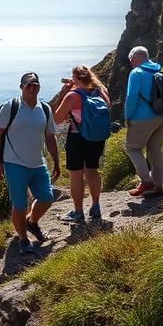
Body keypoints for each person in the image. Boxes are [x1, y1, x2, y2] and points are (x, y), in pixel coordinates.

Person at [0, 72, 60, 254]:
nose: (32, 87)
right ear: (21, 87)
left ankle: (32, 222)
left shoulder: (45, 109)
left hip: (38, 163)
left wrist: (57, 163)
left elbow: (50, 136)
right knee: (19, 204)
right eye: (28, 85)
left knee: (47, 198)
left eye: (35, 84)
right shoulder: (11, 106)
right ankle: (23, 239)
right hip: (13, 163)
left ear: (39, 86)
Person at [54, 65, 111, 222]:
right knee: (92, 170)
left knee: (76, 175)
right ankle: (96, 206)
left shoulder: (72, 96)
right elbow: (109, 110)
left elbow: (57, 118)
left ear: (76, 78)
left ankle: (78, 212)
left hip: (77, 137)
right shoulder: (102, 92)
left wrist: (64, 93)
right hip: (97, 138)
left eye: (73, 78)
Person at [123, 46, 163, 196]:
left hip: (142, 117)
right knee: (155, 150)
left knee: (132, 148)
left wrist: (127, 116)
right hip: (162, 115)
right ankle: (158, 186)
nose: (130, 62)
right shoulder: (159, 71)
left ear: (135, 57)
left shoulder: (136, 73)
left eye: (130, 59)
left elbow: (131, 98)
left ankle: (146, 181)